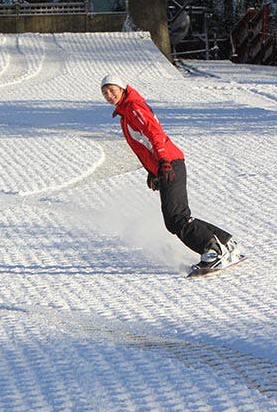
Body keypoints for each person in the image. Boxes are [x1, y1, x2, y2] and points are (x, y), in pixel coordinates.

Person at [100, 74, 239, 273]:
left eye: (112, 90)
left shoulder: (133, 108)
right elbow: (144, 145)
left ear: (122, 89)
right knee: (179, 215)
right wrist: (153, 170)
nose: (109, 95)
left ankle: (213, 251)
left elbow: (155, 133)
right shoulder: (127, 110)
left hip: (170, 162)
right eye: (105, 93)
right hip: (167, 163)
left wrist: (164, 161)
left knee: (176, 218)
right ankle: (227, 243)